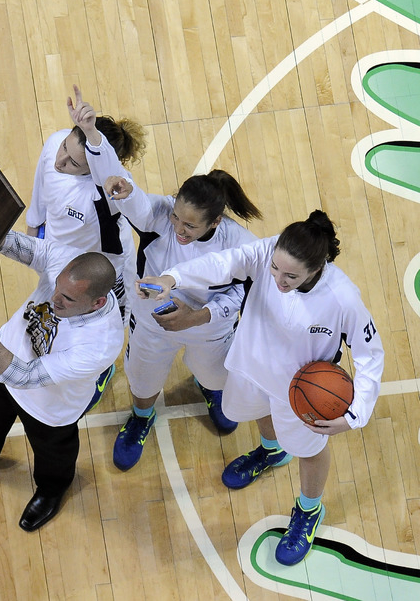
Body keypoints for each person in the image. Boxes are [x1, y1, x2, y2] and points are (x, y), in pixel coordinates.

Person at [141, 210, 384, 566]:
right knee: (256, 412)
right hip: (252, 366)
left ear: (316, 270)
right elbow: (223, 262)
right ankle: (271, 451)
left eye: (290, 276)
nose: (278, 279)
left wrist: (356, 413)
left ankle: (309, 510)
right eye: (275, 270)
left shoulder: (343, 297)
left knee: (311, 450)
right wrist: (172, 277)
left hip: (302, 393)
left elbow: (370, 354)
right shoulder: (268, 252)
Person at [0, 230, 124, 532]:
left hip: (48, 403)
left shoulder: (100, 344)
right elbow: (22, 245)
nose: (55, 298)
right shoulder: (67, 266)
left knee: (53, 456)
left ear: (96, 303)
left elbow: (24, 376)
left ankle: (51, 490)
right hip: (1, 358)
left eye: (67, 299)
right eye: (57, 287)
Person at [96, 170, 262, 470]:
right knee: (142, 380)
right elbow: (137, 203)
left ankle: (208, 385)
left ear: (215, 222)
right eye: (176, 217)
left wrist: (198, 316)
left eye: (190, 225)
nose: (179, 229)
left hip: (209, 326)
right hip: (152, 322)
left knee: (216, 376)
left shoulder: (240, 244)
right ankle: (142, 417)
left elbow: (245, 293)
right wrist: (125, 188)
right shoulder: (161, 214)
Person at [25, 86, 147, 410]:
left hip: (106, 269)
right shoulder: (55, 144)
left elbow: (111, 170)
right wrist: (33, 229)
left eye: (74, 162)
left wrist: (94, 136)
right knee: (58, 310)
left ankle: (103, 367)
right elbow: (40, 192)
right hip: (58, 260)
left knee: (109, 323)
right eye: (66, 146)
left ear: (94, 168)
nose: (60, 160)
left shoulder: (109, 190)